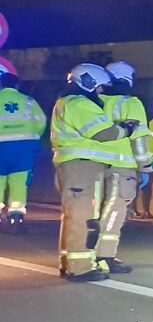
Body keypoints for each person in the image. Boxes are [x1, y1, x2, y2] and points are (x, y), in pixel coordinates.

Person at [50, 63, 137, 281]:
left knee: (75, 216)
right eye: (100, 87)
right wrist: (126, 129)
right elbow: (102, 132)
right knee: (82, 217)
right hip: (80, 167)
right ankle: (79, 268)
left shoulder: (68, 102)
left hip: (78, 167)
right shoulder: (78, 104)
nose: (101, 92)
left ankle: (69, 262)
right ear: (88, 83)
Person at [96, 61, 153, 266]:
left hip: (92, 165)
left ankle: (82, 254)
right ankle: (105, 255)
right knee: (115, 210)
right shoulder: (131, 103)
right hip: (121, 165)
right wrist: (145, 167)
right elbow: (139, 139)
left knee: (91, 211)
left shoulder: (94, 101)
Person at [0, 69, 47, 231]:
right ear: (17, 84)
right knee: (19, 183)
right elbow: (41, 122)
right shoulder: (28, 101)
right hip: (24, 149)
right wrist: (33, 137)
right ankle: (16, 218)